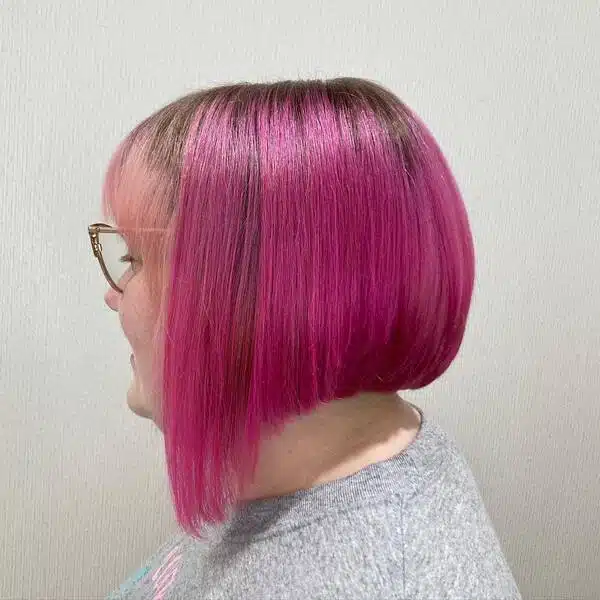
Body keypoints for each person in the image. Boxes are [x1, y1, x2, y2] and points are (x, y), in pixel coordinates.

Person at [89, 77, 522, 599]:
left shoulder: (380, 577)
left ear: (251, 303)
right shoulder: (292, 472)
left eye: (134, 259)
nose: (112, 295)